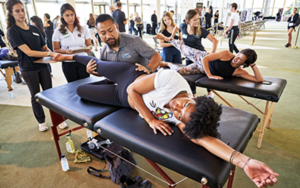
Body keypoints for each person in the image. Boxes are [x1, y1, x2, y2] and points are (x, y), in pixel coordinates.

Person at [53, 52, 278, 188]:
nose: (175, 109)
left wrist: (244, 161)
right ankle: (69, 55)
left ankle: (106, 85)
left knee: (82, 91)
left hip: (121, 99)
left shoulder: (185, 120)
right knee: (94, 64)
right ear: (195, 98)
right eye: (183, 106)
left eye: (179, 116)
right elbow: (133, 90)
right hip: (130, 78)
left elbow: (202, 139)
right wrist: (150, 119)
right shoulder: (172, 79)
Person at [6, 0, 67, 131]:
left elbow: (44, 46)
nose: (21, 13)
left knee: (50, 93)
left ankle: (58, 119)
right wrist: (48, 54)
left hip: (43, 66)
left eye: (22, 10)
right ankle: (41, 121)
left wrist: (52, 53)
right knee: (36, 95)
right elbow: (28, 52)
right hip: (28, 69)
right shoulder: (13, 31)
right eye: (17, 11)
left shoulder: (34, 29)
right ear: (11, 13)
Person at [156, 33, 264, 83]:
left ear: (245, 64)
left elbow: (259, 80)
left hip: (201, 69)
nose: (236, 58)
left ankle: (168, 64)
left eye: (240, 59)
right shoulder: (227, 54)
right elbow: (205, 59)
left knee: (179, 71)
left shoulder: (239, 72)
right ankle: (167, 38)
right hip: (201, 57)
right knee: (183, 47)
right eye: (238, 55)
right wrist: (210, 75)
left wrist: (253, 65)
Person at [180, 9, 218, 97]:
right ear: (188, 21)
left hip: (201, 56)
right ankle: (193, 95)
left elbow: (215, 41)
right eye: (195, 20)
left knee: (206, 75)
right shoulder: (183, 26)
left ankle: (209, 94)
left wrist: (212, 54)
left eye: (198, 19)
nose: (197, 21)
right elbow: (176, 27)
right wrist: (179, 39)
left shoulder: (201, 30)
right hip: (189, 57)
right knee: (190, 77)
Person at [52, 3, 92, 83]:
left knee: (86, 85)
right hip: (68, 62)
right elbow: (55, 49)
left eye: (72, 14)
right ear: (62, 16)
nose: (70, 18)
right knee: (72, 87)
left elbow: (89, 45)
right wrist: (66, 51)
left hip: (83, 61)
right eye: (67, 15)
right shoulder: (58, 30)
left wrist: (88, 49)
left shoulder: (83, 28)